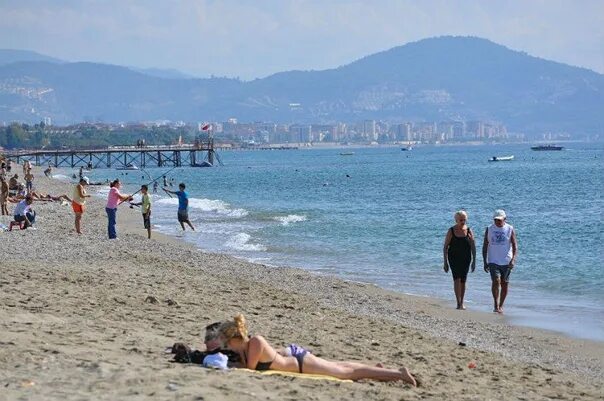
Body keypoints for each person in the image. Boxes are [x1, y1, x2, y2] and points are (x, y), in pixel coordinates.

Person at [218, 314, 417, 386]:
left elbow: (251, 369)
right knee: (342, 366)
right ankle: (376, 370)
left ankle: (398, 374)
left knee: (346, 373)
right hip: (297, 360)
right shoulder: (245, 347)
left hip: (302, 364)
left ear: (236, 338)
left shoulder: (255, 343)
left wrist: (231, 363)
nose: (227, 346)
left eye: (228, 342)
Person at [483, 209, 518, 314]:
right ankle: (495, 304)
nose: (497, 222)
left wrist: (513, 260)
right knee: (496, 281)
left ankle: (501, 305)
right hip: (493, 260)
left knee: (505, 284)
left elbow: (515, 246)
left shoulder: (509, 229)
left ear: (505, 219)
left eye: (499, 220)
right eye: (496, 220)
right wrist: (485, 261)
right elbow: (485, 246)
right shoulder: (489, 229)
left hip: (506, 261)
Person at [443, 210, 476, 310]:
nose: (463, 222)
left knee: (463, 280)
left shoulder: (469, 230)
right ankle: (458, 303)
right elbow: (445, 247)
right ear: (456, 220)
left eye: (464, 220)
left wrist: (474, 261)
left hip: (466, 258)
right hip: (453, 258)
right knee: (456, 279)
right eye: (461, 220)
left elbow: (473, 246)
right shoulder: (451, 231)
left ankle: (462, 302)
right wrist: (445, 262)